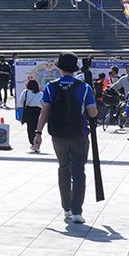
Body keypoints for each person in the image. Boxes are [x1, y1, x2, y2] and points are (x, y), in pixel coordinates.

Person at [34, 52, 98, 224]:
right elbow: (93, 112)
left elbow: (44, 112)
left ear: (59, 68)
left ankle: (66, 209)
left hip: (58, 136)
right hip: (80, 135)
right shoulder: (84, 88)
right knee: (79, 172)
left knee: (63, 169)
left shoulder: (50, 87)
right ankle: (77, 210)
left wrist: (38, 133)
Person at [17, 77, 43, 149]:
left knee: (30, 128)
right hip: (37, 111)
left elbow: (21, 100)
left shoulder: (25, 92)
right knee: (37, 128)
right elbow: (42, 104)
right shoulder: (40, 94)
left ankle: (32, 142)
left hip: (28, 110)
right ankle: (37, 143)